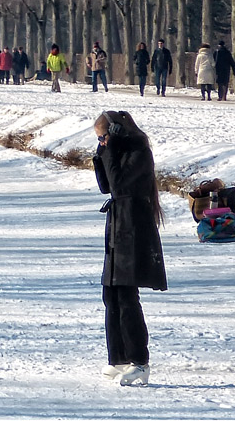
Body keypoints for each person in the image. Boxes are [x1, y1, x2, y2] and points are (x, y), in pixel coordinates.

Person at [92, 110, 167, 386]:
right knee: (111, 295)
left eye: (103, 137)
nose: (102, 142)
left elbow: (120, 185)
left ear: (117, 131)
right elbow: (105, 186)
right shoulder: (117, 151)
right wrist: (101, 154)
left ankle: (139, 361)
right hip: (117, 226)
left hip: (134, 227)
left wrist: (109, 152)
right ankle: (119, 357)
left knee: (126, 295)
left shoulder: (139, 152)